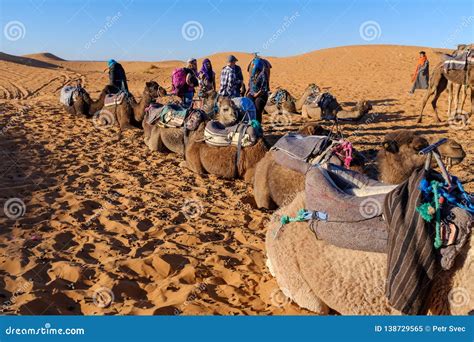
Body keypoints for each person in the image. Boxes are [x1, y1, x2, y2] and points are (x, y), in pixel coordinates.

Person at [247, 58, 269, 123]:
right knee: (249, 106)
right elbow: (250, 84)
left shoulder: (263, 75)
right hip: (252, 93)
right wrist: (248, 92)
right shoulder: (252, 75)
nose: (253, 67)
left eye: (254, 65)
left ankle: (258, 125)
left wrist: (256, 94)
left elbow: (264, 88)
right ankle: (251, 123)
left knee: (257, 108)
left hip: (261, 95)